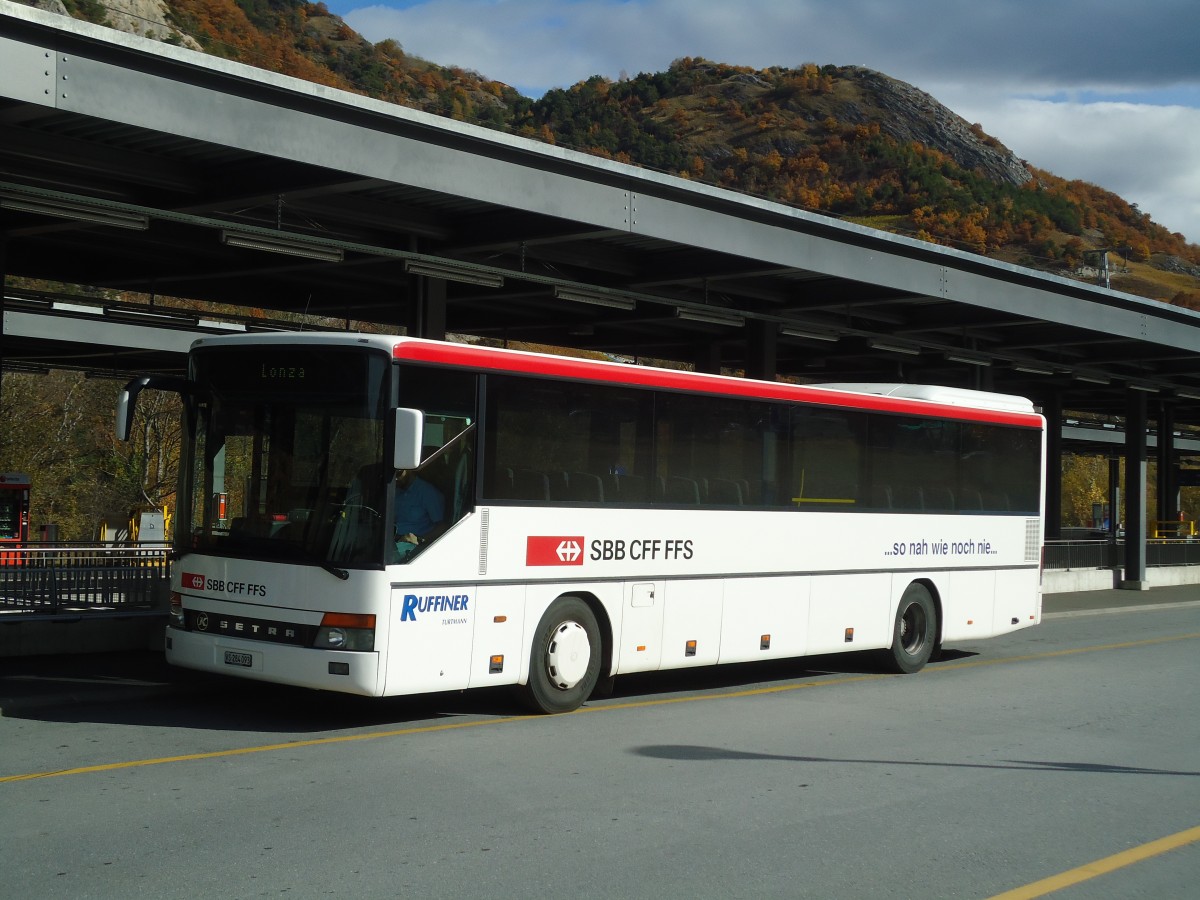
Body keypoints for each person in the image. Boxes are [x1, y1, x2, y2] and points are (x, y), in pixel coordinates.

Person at [394, 468, 444, 559]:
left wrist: (419, 539)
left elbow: (443, 526)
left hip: (413, 549)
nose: (395, 478)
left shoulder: (427, 492)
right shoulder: (395, 490)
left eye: (399, 473)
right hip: (392, 542)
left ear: (409, 469)